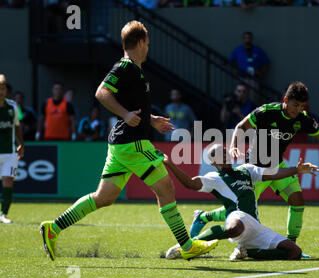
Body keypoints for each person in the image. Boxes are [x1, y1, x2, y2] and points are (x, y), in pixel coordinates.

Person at [39, 20, 218, 261]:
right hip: (133, 144)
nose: (148, 47)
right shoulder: (125, 67)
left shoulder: (135, 70)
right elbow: (101, 92)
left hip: (122, 144)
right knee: (165, 188)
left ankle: (54, 227)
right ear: (142, 42)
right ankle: (187, 246)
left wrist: (150, 119)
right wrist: (124, 114)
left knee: (103, 198)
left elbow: (133, 107)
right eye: (148, 42)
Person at [190, 81, 319, 257]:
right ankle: (204, 217)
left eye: (302, 106)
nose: (298, 110)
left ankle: (291, 244)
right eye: (295, 105)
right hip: (254, 168)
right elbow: (241, 126)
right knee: (240, 209)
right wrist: (233, 146)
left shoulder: (302, 119)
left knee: (297, 200)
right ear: (285, 101)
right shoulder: (266, 111)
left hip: (277, 165)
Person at [164, 144, 319, 261]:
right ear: (212, 162)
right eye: (218, 154)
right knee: (235, 226)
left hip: (256, 227)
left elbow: (273, 174)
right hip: (238, 217)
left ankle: (246, 251)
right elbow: (189, 183)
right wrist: (170, 163)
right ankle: (190, 245)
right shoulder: (213, 178)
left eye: (225, 152)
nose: (223, 155)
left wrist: (296, 170)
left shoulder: (247, 170)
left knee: (295, 253)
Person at [0, 74, 25, 224]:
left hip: (9, 153)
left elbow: (17, 126)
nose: (0, 91)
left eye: (2, 88)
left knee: (8, 181)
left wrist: (21, 143)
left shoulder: (13, 107)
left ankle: (3, 214)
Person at [229, 31, 270, 104]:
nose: (247, 40)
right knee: (240, 97)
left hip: (253, 79)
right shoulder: (238, 50)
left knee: (253, 98)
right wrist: (235, 71)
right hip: (242, 78)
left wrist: (260, 72)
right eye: (245, 38)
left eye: (249, 38)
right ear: (243, 39)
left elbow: (266, 62)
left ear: (251, 39)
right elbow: (231, 61)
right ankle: (241, 114)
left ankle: (253, 114)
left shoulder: (257, 50)